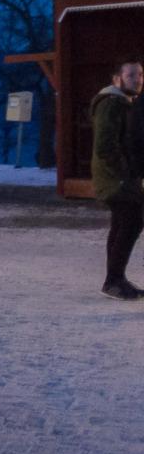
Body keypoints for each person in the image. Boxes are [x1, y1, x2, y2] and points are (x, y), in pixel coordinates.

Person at [92, 58, 143, 300]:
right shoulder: (112, 103)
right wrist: (126, 172)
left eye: (140, 75)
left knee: (122, 224)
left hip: (119, 178)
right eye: (131, 75)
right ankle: (113, 280)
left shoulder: (124, 103)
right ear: (117, 79)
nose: (138, 80)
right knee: (132, 221)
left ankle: (115, 279)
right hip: (116, 179)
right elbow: (105, 145)